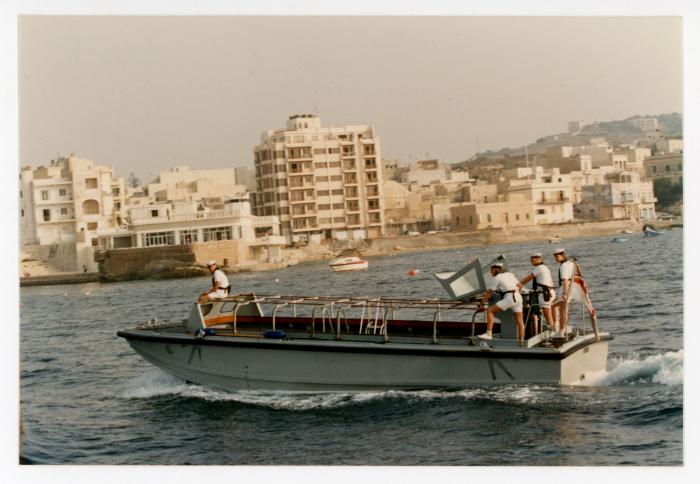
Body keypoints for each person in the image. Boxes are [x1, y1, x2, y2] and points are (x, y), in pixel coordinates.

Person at [477, 262, 525, 343]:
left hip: (509, 298)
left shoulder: (497, 278)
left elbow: (489, 292)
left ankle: (488, 334)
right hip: (518, 297)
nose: (491, 272)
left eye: (492, 270)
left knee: (489, 311)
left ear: (497, 269)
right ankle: (522, 342)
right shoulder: (510, 274)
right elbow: (520, 286)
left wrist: (482, 303)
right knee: (520, 321)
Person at [517, 252, 556, 334]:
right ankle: (555, 330)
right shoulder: (544, 267)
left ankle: (553, 333)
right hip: (550, 292)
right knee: (550, 314)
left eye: (532, 260)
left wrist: (519, 285)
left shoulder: (539, 268)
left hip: (544, 294)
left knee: (547, 315)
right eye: (531, 260)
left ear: (538, 259)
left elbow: (529, 278)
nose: (531, 262)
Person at [551, 248, 575, 338]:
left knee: (561, 310)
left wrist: (565, 293)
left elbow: (565, 280)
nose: (556, 259)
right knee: (555, 307)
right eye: (555, 257)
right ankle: (559, 326)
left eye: (557, 256)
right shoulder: (571, 263)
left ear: (562, 255)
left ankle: (560, 330)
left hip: (564, 288)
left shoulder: (563, 266)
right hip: (570, 287)